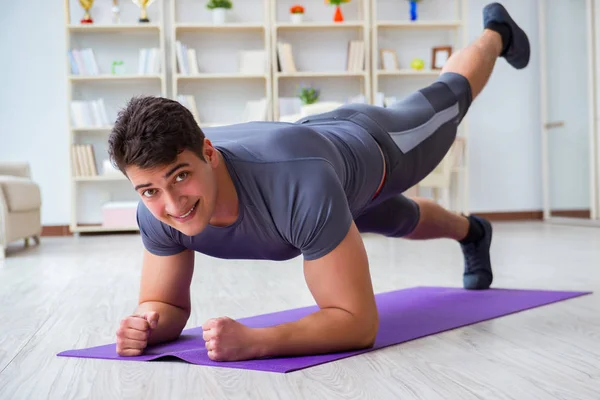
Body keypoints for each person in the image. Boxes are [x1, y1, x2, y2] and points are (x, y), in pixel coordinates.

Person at [108, 2, 530, 361]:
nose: (172, 203)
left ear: (209, 154)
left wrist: (257, 342)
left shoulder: (298, 187)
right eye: (149, 191)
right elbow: (166, 303)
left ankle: (497, 33)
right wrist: (147, 323)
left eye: (180, 177)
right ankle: (474, 232)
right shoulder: (157, 210)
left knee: (450, 94)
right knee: (402, 218)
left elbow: (357, 322)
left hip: (375, 144)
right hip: (320, 166)